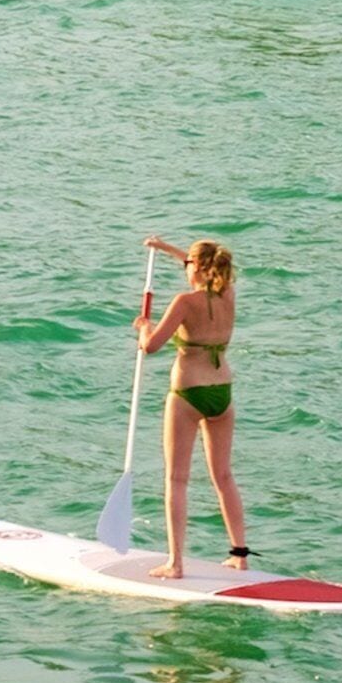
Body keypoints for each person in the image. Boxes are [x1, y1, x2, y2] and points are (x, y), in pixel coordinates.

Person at [136, 236, 252, 581]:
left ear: (197, 269)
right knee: (223, 476)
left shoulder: (184, 302)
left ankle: (176, 563)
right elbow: (202, 263)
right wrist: (166, 248)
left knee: (176, 479)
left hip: (187, 396)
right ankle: (239, 555)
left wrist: (144, 326)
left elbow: (152, 347)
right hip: (222, 393)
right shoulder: (228, 295)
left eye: (188, 264)